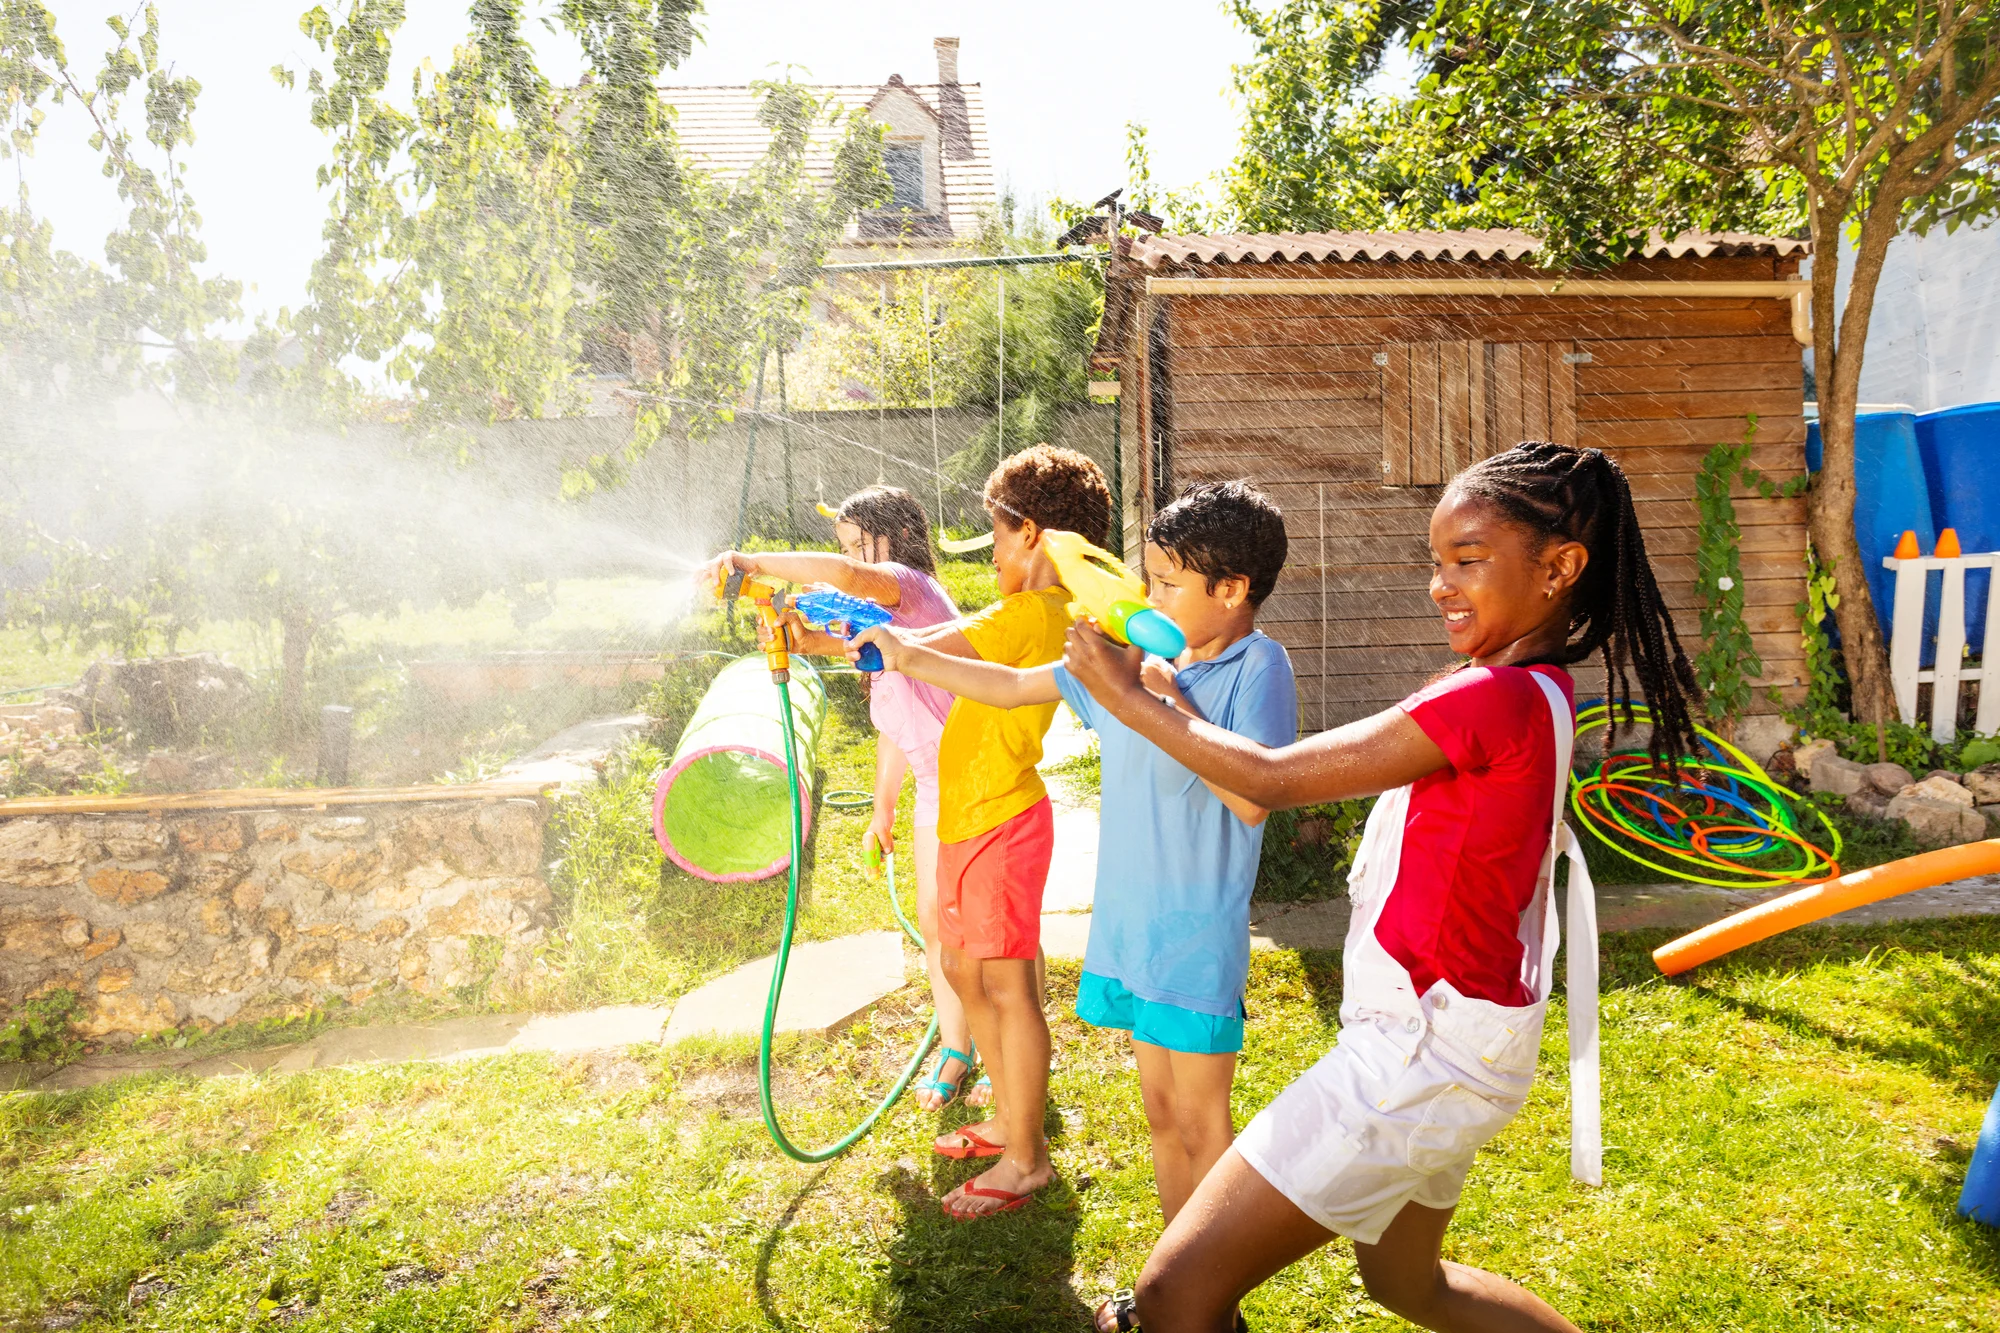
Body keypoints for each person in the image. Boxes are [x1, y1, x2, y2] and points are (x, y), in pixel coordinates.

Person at [1061, 442, 1703, 1333]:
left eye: (1468, 562)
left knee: (1172, 1295)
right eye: (1437, 561)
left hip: (1419, 1054)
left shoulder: (1492, 699)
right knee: (1409, 1284)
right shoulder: (1538, 691)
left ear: (1559, 568)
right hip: (1467, 1045)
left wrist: (1135, 699)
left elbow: (1272, 777)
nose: (1441, 585)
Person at [855, 481, 1297, 1324]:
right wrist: (907, 653)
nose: (1149, 597)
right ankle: (1182, 1288)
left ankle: (1215, 1302)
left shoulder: (1255, 666)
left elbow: (1251, 796)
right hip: (1131, 930)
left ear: (1231, 590)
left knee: (1206, 1123)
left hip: (1195, 937)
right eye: (1150, 579)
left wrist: (1160, 696)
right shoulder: (1127, 660)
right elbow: (1017, 687)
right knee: (1164, 1118)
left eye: (1168, 584)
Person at [867, 444, 1113, 1219]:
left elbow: (938, 649)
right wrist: (856, 640)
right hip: (972, 816)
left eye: (1000, 535)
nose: (996, 551)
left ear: (1034, 534)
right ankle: (1010, 1119)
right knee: (968, 972)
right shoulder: (1031, 611)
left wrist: (886, 644)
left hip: (1001, 819)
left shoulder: (1032, 612)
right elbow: (925, 650)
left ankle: (1027, 1157)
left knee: (1005, 986)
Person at [697, 486, 989, 1112]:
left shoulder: (908, 586)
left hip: (982, 777)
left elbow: (847, 577)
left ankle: (1007, 1046)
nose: (853, 559)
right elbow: (895, 723)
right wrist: (883, 809)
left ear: (898, 540)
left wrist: (753, 561)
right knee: (935, 922)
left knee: (991, 929)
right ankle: (957, 1047)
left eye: (862, 545)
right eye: (845, 546)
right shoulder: (878, 632)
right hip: (938, 783)